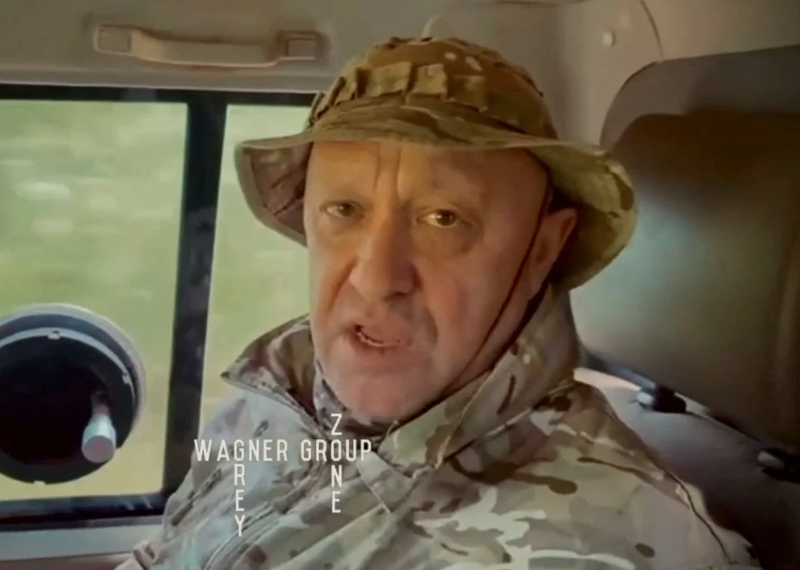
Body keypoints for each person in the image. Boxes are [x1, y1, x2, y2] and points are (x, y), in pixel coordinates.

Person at [116, 37, 760, 570]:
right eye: (345, 209)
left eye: (444, 219)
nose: (376, 279)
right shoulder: (268, 402)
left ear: (542, 249)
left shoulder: (590, 543)